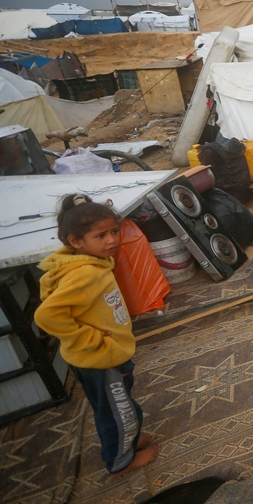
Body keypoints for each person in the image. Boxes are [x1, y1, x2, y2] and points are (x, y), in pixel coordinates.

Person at [34, 195, 159, 476]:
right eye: (100, 235)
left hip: (103, 355)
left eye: (114, 231)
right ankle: (120, 462)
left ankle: (129, 441)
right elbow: (47, 316)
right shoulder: (85, 274)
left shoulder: (88, 262)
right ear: (76, 241)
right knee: (116, 414)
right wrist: (93, 341)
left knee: (120, 405)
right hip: (100, 359)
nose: (111, 240)